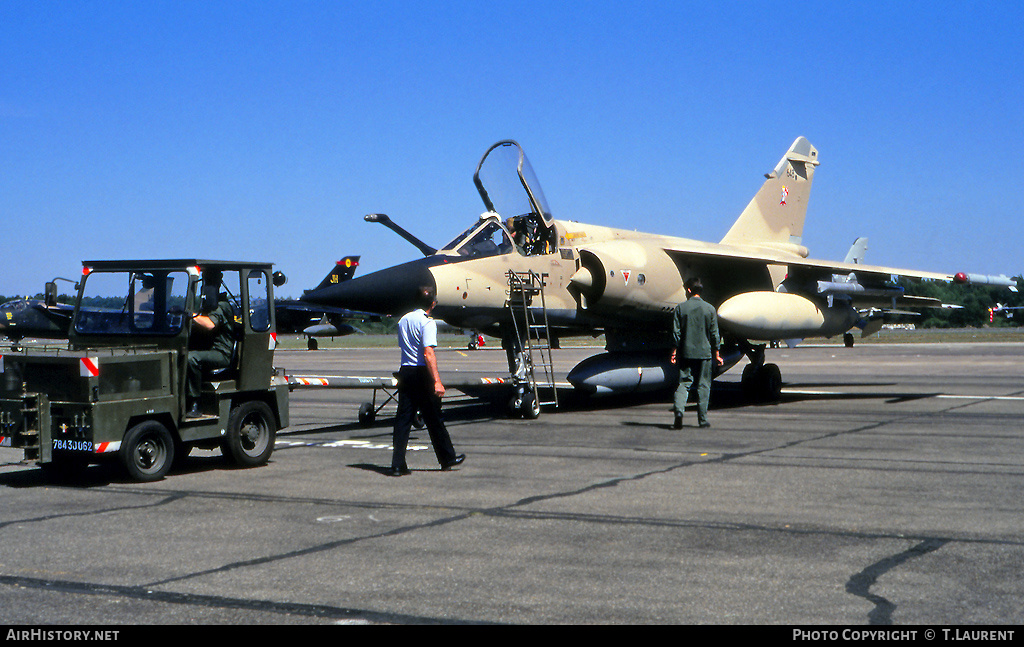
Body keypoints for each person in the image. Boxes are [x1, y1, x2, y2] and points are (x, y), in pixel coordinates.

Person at [388, 286, 465, 476]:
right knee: (434, 417)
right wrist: (437, 381)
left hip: (405, 371)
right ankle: (447, 457)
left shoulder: (403, 320)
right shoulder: (428, 323)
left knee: (403, 419)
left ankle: (397, 464)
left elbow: (403, 347)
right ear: (432, 304)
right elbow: (428, 353)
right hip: (422, 373)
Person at [670, 277, 722, 429]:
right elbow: (714, 334)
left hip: (686, 352)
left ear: (689, 290)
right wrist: (716, 353)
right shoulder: (710, 309)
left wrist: (674, 351)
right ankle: (702, 420)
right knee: (704, 385)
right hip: (704, 354)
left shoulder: (680, 308)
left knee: (684, 384)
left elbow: (676, 333)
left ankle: (679, 412)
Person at [186, 270, 234, 418]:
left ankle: (195, 402)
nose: (206, 286)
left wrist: (191, 315)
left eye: (209, 282)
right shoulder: (206, 305)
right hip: (208, 350)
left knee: (191, 358)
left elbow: (210, 324)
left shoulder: (221, 305)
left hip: (221, 353)